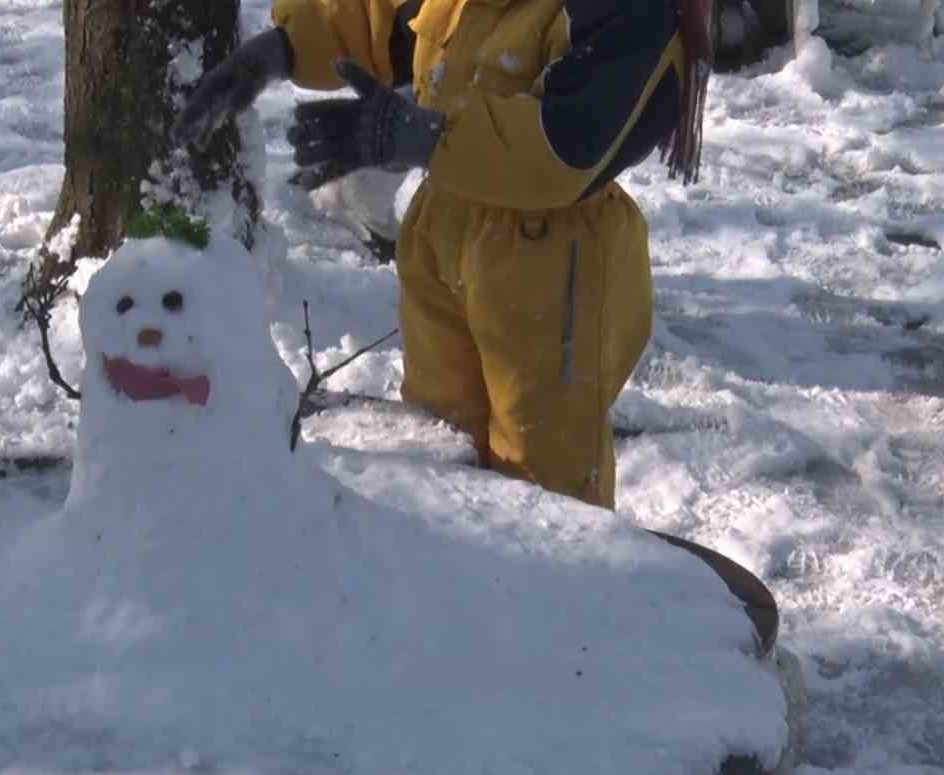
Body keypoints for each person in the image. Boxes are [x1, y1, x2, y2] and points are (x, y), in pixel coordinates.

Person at [177, 0, 712, 510]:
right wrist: (280, 49)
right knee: (438, 440)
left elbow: (568, 145)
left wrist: (424, 138)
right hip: (444, 220)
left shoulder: (630, 11)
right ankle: (455, 580)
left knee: (544, 470)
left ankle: (556, 594)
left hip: (551, 253)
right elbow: (381, 15)